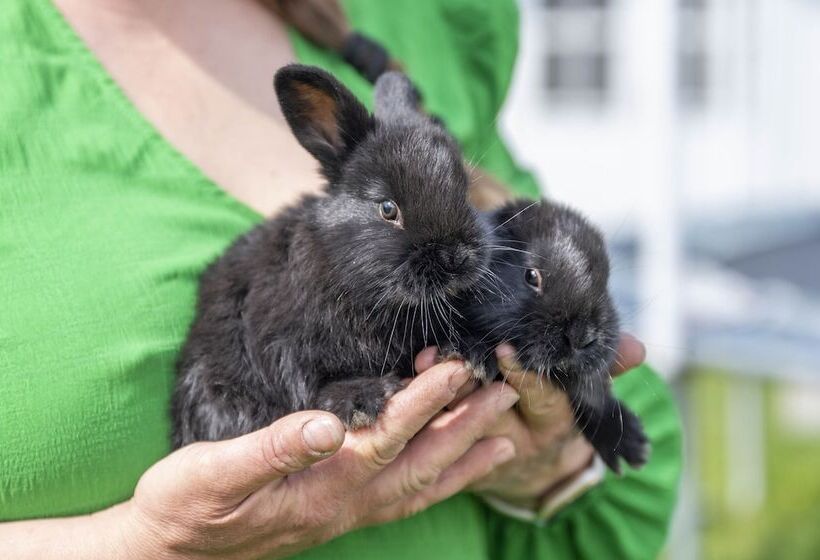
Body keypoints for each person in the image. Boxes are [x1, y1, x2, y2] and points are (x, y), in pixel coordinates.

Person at [0, 1, 682, 558]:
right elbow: (275, 349)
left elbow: (634, 463)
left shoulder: (417, 21)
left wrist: (546, 465)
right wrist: (139, 545)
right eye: (391, 214)